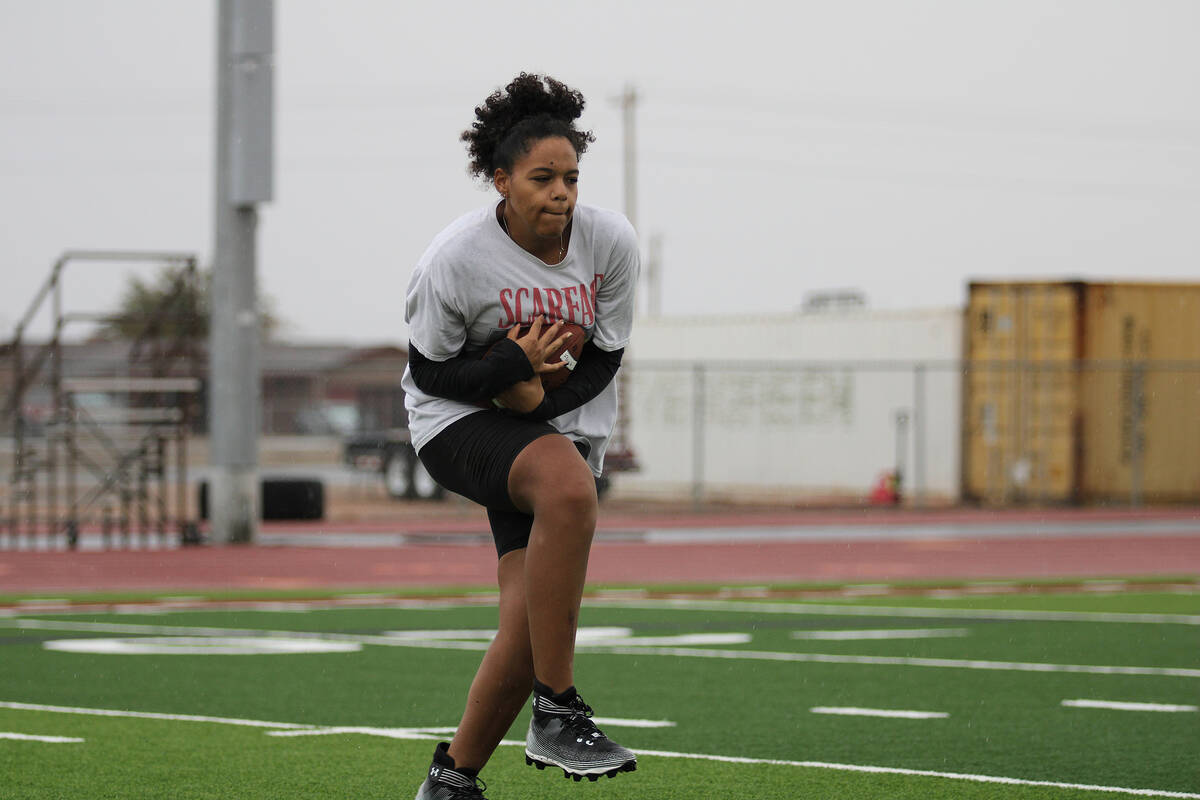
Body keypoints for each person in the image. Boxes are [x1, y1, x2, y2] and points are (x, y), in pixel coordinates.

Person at [405, 73, 639, 800]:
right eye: (542, 178)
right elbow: (430, 371)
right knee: (569, 486)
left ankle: (451, 781)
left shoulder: (609, 242)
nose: (561, 192)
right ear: (501, 181)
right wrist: (509, 366)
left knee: (525, 615)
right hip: (456, 422)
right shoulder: (457, 256)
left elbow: (605, 355)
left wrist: (542, 399)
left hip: (543, 421)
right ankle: (558, 708)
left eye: (571, 176)